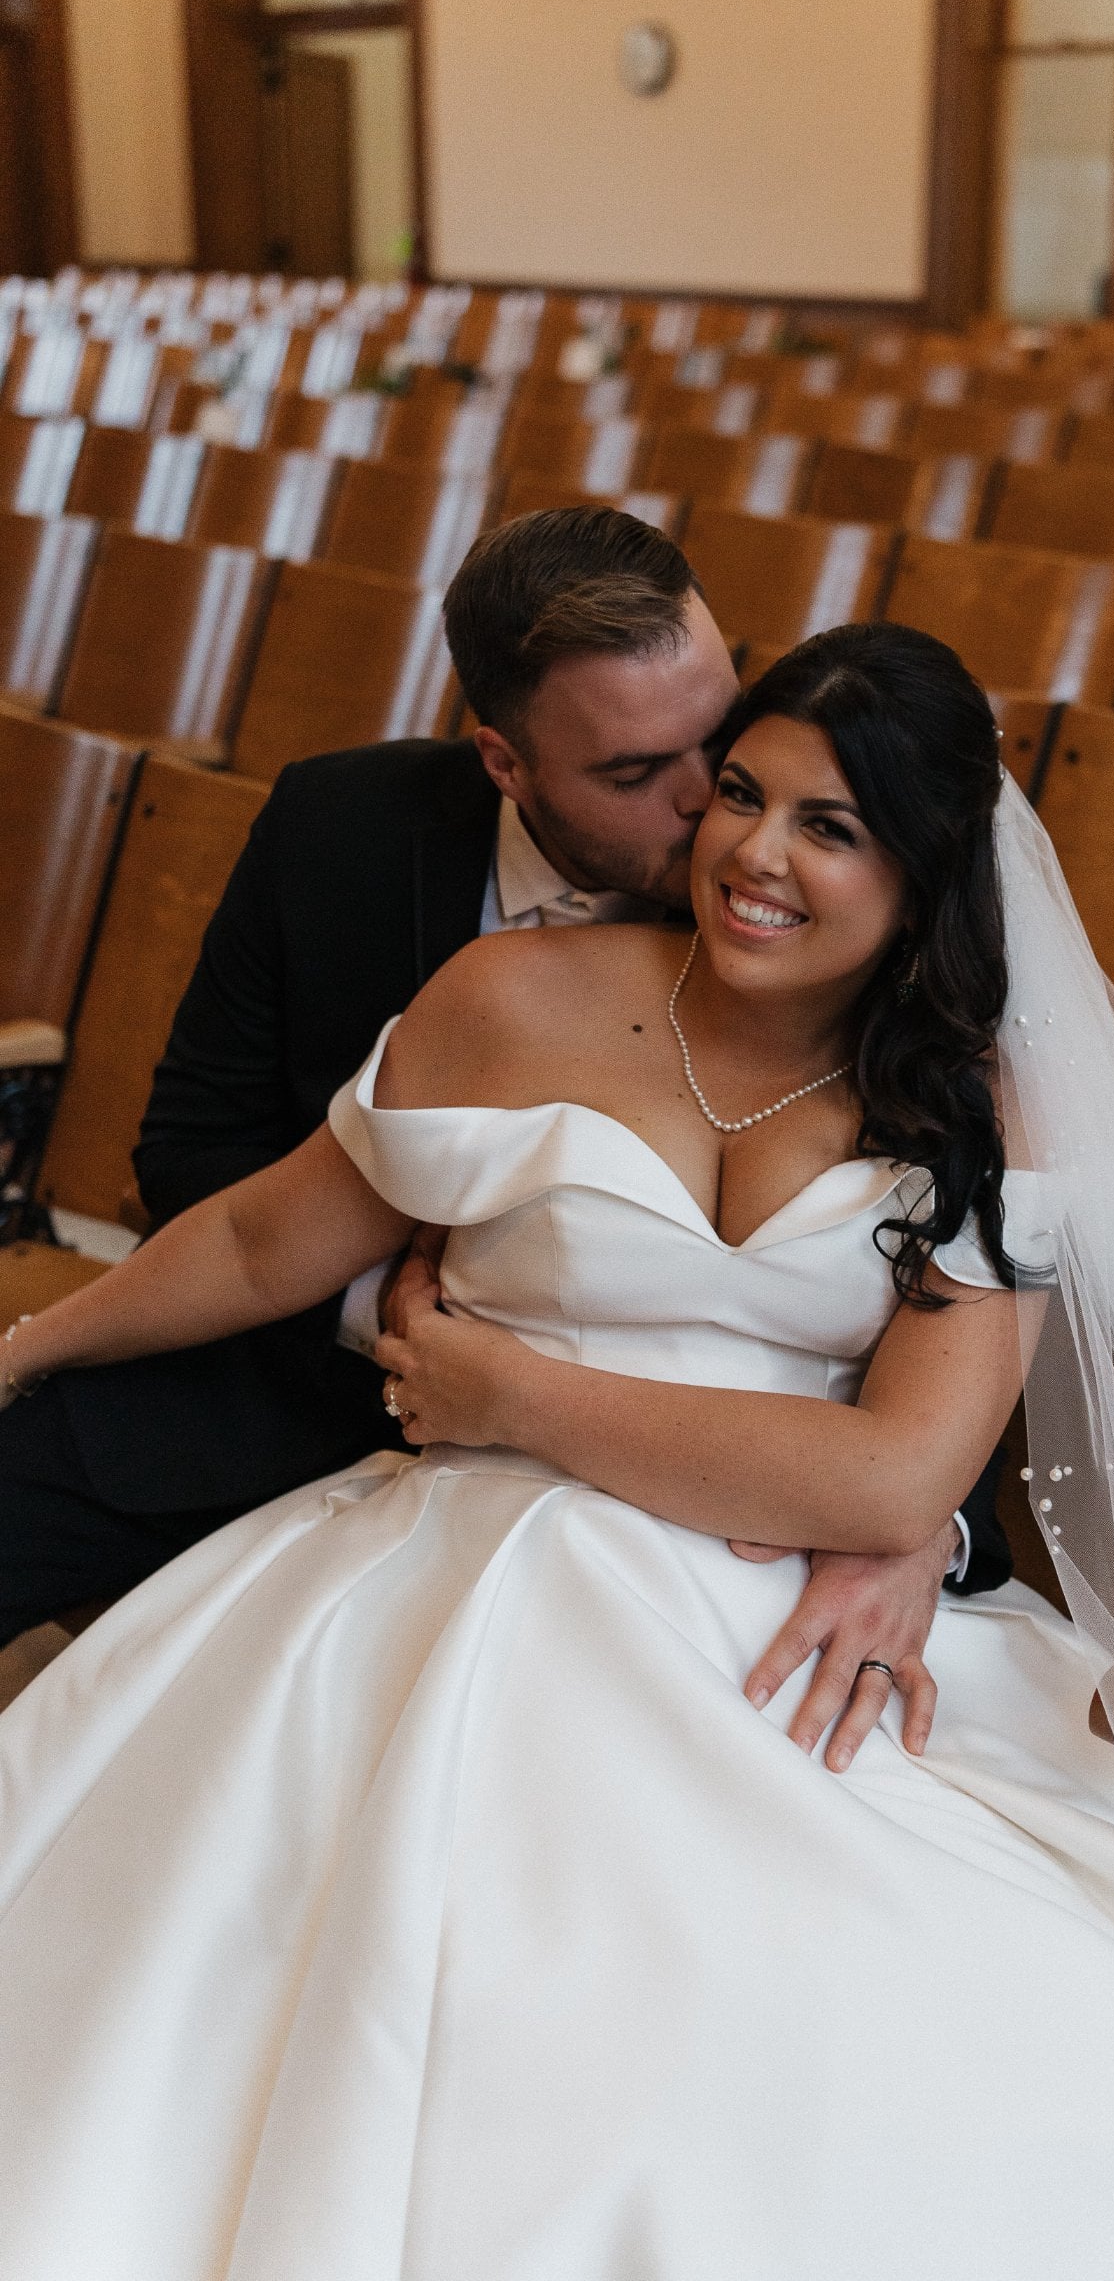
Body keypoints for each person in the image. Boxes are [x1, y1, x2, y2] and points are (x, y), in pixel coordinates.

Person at [0, 623, 1114, 2279]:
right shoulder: (509, 996)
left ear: (926, 870)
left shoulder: (978, 1106)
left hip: (777, 1612)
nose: (754, 855)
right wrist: (34, 1341)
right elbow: (269, 1240)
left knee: (867, 2025)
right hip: (455, 1560)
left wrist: (510, 1395)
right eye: (741, 797)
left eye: (829, 827)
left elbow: (901, 1479)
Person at [0, 508, 1011, 1771]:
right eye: (650, 775)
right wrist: (27, 1348)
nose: (719, 819)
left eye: (723, 742)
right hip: (351, 1425)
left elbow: (921, 1427)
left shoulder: (953, 1063)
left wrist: (914, 1525)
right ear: (506, 761)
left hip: (748, 1550)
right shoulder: (370, 858)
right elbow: (239, 1207)